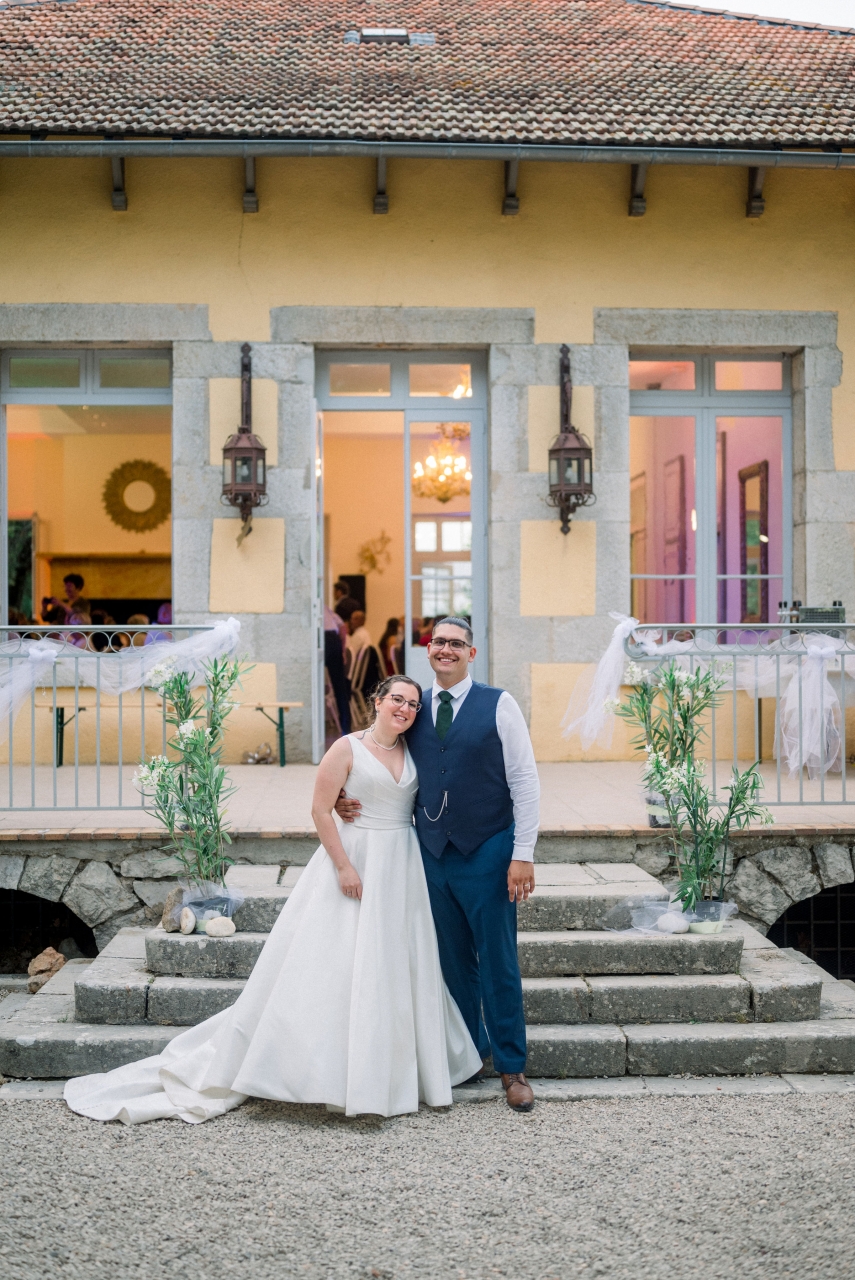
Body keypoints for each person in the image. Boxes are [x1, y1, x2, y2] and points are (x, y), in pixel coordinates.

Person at [63, 676, 481, 1123]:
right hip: (356, 857)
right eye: (397, 699)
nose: (405, 709)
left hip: (402, 864)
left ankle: (394, 1069)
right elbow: (320, 809)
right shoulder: (346, 748)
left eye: (413, 704)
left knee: (396, 959)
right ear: (377, 701)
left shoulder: (414, 749)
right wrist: (344, 866)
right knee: (339, 962)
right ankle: (327, 1071)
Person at [336, 616, 540, 1112]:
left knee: (497, 960)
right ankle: (467, 1056)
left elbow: (525, 780)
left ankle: (512, 1067)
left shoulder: (499, 704)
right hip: (430, 855)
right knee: (451, 963)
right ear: (428, 650)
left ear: (471, 653)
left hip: (489, 850)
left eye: (456, 643)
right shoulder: (415, 707)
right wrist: (344, 794)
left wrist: (523, 854)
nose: (446, 649)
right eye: (438, 642)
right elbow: (374, 750)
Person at [324, 603, 351, 735]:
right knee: (339, 686)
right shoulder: (326, 608)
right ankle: (346, 726)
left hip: (322, 637)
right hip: (334, 640)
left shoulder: (315, 605)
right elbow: (342, 628)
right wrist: (342, 650)